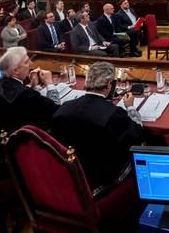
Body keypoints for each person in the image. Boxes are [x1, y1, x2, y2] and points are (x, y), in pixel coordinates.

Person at [51, 61, 144, 190]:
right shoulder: (114, 114)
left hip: (72, 172)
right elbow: (137, 133)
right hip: (104, 178)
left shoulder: (64, 108)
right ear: (109, 86)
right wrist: (131, 107)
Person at [0, 47, 60, 160]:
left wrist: (32, 87)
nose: (31, 64)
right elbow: (55, 111)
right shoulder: (26, 96)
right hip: (19, 157)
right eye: (27, 62)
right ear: (15, 71)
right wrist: (49, 83)